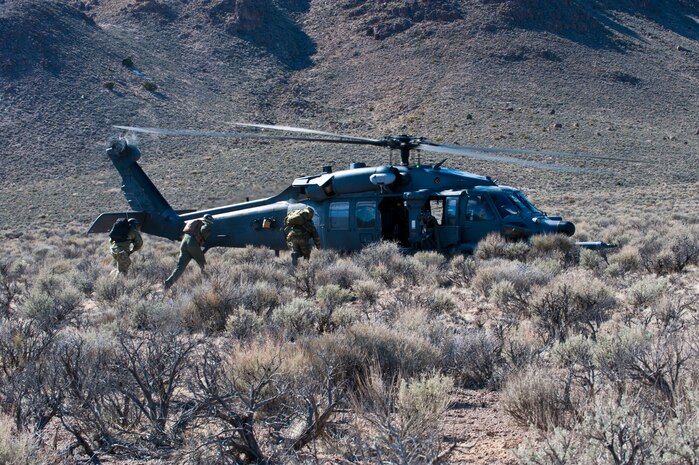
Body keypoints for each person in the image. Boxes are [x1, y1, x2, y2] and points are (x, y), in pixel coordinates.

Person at [164, 214, 215, 289]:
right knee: (203, 265)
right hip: (192, 243)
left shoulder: (196, 223)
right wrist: (209, 226)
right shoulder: (205, 224)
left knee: (180, 266)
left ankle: (168, 283)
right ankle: (208, 285)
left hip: (184, 242)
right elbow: (203, 229)